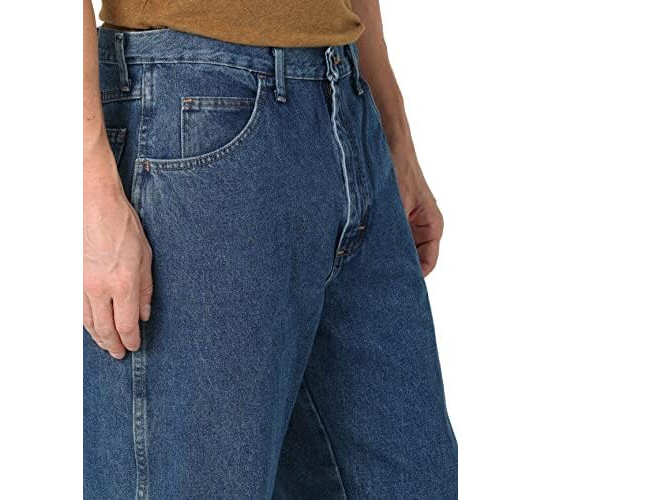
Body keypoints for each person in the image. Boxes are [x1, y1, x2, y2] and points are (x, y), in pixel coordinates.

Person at [83, 0, 457, 497]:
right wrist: (88, 192)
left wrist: (394, 135)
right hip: (198, 106)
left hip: (347, 101)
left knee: (413, 477)